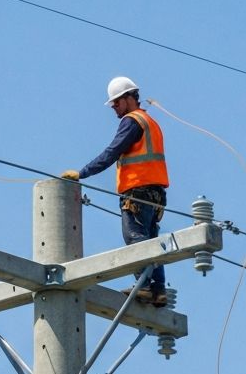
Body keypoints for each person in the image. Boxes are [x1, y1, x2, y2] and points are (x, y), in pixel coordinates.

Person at [61, 76, 170, 307]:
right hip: (156, 193)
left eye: (117, 103)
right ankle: (158, 289)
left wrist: (82, 173)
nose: (115, 109)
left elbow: (112, 152)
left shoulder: (132, 121)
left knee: (135, 239)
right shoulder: (150, 122)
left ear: (130, 98)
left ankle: (145, 285)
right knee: (150, 239)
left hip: (138, 192)